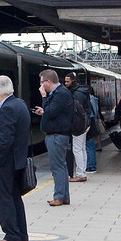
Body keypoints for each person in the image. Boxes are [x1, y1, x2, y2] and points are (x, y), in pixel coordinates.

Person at [0, 75, 31, 241]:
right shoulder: (20, 104)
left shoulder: (7, 108)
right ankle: (22, 235)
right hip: (17, 160)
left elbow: (6, 140)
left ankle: (11, 235)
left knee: (4, 198)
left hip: (6, 163)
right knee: (14, 198)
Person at [33, 69, 73, 206]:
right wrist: (43, 111)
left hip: (57, 135)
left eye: (41, 82)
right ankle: (64, 197)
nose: (40, 85)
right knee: (61, 166)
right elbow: (52, 111)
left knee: (57, 167)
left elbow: (51, 112)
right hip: (57, 134)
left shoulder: (61, 94)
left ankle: (59, 197)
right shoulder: (59, 93)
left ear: (48, 82)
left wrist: (44, 97)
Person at [64, 72, 92, 182]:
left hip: (79, 125)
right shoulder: (81, 91)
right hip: (84, 123)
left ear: (73, 81)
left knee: (77, 149)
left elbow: (76, 111)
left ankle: (80, 174)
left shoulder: (77, 94)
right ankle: (82, 172)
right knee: (81, 148)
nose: (65, 83)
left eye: (67, 81)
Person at [85, 86, 101, 173]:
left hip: (89, 123)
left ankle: (91, 166)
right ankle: (92, 164)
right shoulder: (94, 99)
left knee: (88, 146)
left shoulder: (88, 100)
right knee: (91, 145)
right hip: (93, 122)